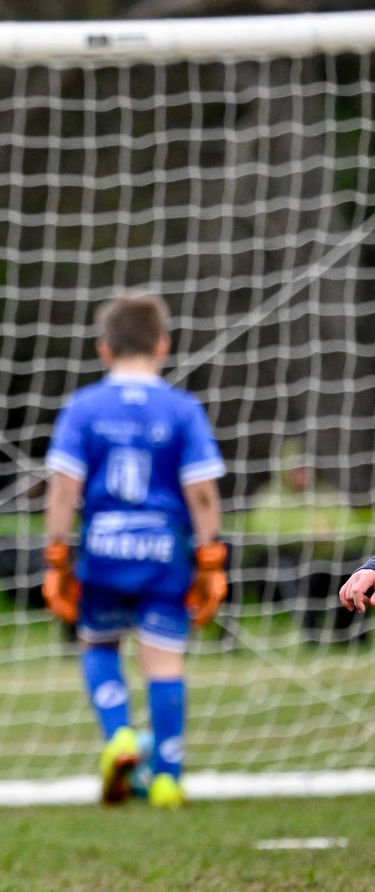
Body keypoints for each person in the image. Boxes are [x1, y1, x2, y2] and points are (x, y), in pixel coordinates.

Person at [42, 293, 227, 808]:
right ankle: (167, 776)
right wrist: (211, 558)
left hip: (103, 553)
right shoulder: (183, 409)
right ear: (163, 345)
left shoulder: (83, 407)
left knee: (98, 645)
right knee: (165, 663)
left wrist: (56, 555)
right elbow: (202, 492)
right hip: (164, 555)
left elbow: (63, 488)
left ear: (104, 349)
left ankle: (121, 736)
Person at [243, 441, 364, 644]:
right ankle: (307, 629)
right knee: (283, 566)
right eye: (297, 469)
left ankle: (350, 634)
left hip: (323, 564)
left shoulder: (326, 494)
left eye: (306, 468)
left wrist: (330, 534)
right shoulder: (270, 497)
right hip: (285, 566)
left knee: (353, 565)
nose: (303, 474)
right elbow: (260, 531)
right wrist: (306, 533)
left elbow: (353, 527)